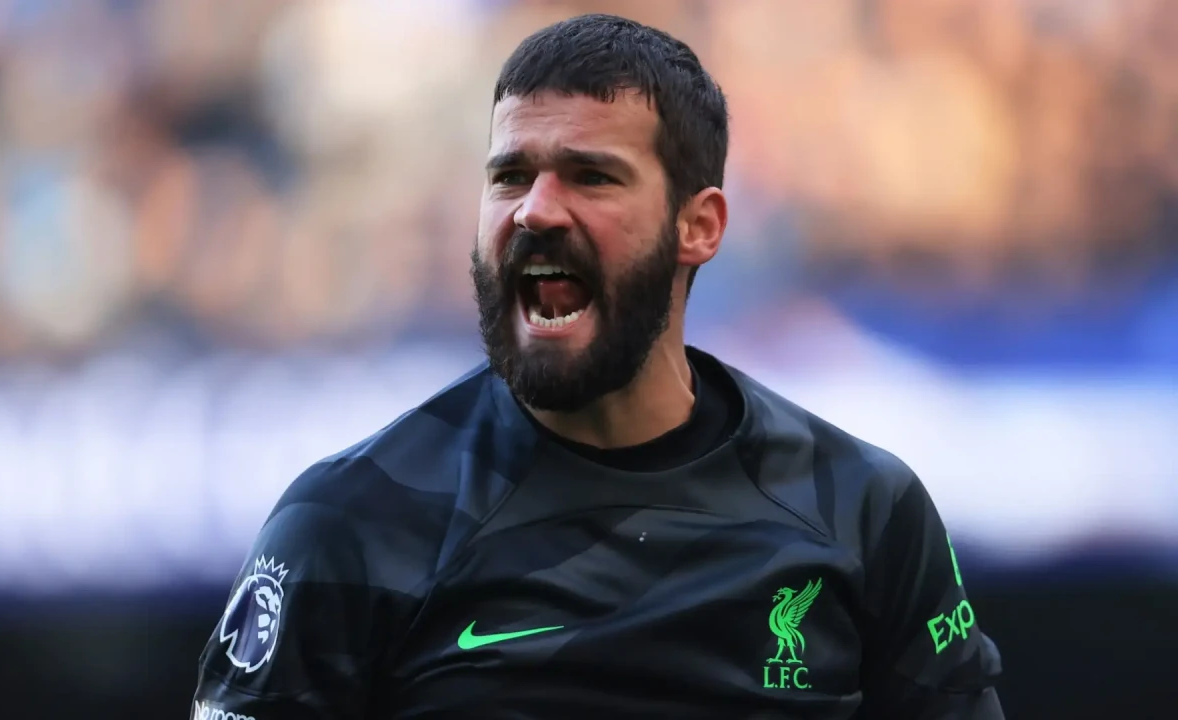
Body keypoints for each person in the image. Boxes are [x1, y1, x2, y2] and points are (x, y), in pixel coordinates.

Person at [191, 13, 1004, 719]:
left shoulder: (862, 511)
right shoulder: (353, 524)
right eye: (510, 175)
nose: (535, 210)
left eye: (590, 176)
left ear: (699, 226)